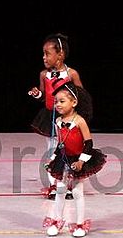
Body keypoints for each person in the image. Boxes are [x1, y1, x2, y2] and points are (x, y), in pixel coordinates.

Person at [42, 82, 105, 238]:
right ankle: (57, 221)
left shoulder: (79, 121)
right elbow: (60, 144)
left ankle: (79, 224)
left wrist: (81, 162)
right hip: (63, 160)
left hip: (78, 160)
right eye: (56, 101)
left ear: (74, 102)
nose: (57, 104)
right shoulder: (57, 122)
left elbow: (88, 144)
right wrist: (53, 158)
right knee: (60, 190)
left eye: (62, 101)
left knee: (77, 192)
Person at [27, 33, 83, 200]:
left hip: (67, 118)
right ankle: (54, 184)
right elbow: (45, 96)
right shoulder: (44, 75)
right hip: (50, 119)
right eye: (43, 53)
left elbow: (81, 95)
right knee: (52, 151)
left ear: (60, 55)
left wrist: (74, 112)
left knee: (67, 151)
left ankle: (67, 184)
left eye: (47, 53)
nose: (44, 57)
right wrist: (38, 94)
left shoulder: (71, 74)